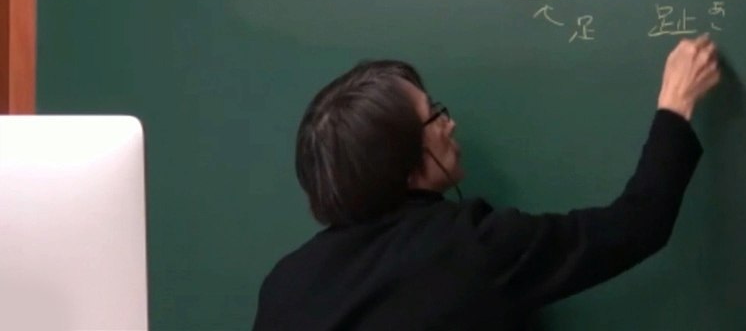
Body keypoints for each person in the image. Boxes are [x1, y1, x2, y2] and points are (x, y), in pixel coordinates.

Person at [252, 34, 720, 331]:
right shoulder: (467, 248)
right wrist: (675, 105)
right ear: (402, 161)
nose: (449, 124)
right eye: (433, 117)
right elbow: (636, 225)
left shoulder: (285, 286)